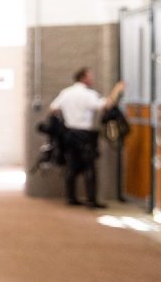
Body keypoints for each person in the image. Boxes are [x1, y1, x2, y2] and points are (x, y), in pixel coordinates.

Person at [49, 67, 124, 208]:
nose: (92, 79)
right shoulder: (89, 94)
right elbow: (106, 106)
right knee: (89, 167)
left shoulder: (66, 93)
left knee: (71, 166)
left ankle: (70, 198)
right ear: (83, 77)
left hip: (69, 133)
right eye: (90, 76)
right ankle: (91, 200)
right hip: (84, 134)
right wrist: (116, 90)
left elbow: (52, 108)